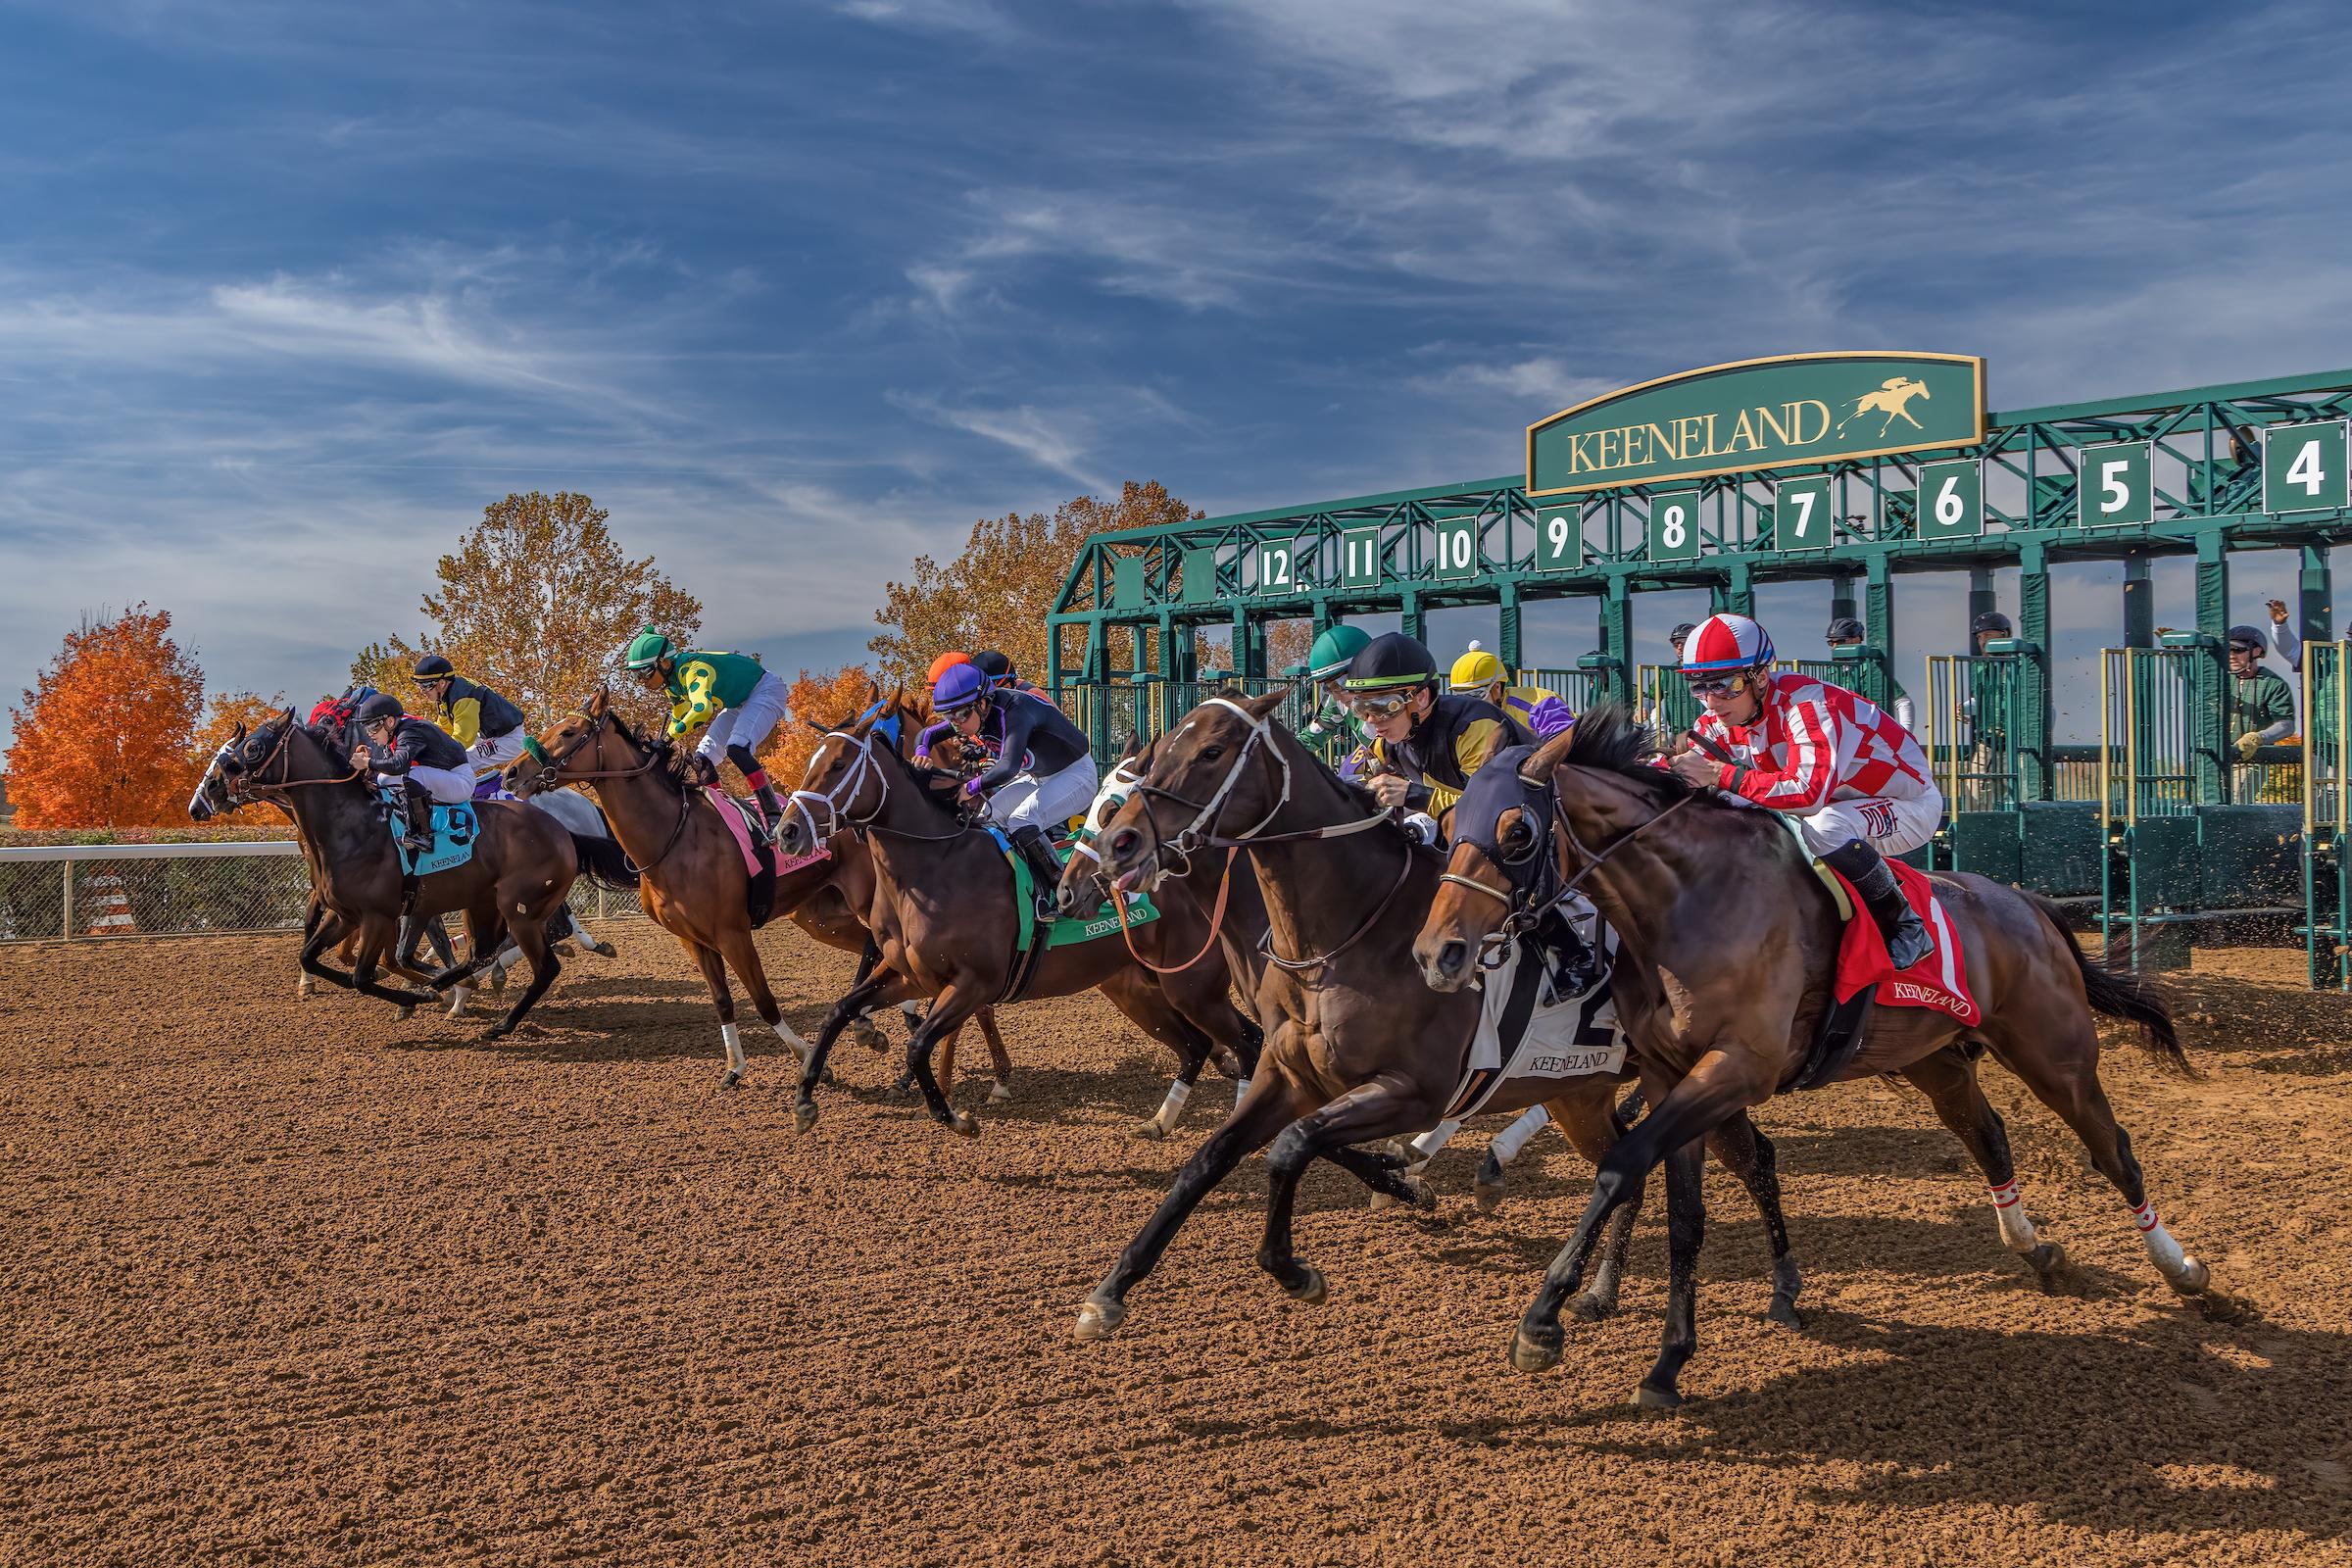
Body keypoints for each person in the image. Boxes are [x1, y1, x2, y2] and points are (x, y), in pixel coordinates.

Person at [1666, 612, 1941, 970]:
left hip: (1908, 805)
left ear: (1760, 676)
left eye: (1726, 685)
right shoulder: (1721, 718)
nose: (1712, 701)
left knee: (1825, 827)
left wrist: (1721, 774)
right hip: (1840, 802)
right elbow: (1683, 775)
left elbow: (1806, 794)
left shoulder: (1809, 706)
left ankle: (1905, 925)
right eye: (1700, 687)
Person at [932, 661, 1099, 920]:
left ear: (982, 703)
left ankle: (1061, 893)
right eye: (949, 716)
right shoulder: (980, 711)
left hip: (1076, 775)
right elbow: (927, 736)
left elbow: (1008, 768)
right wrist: (920, 752)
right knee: (985, 817)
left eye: (961, 715)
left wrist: (971, 787)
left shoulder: (1015, 710)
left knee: (1022, 821)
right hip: (1041, 777)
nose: (956, 724)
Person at [1341, 632, 1532, 820]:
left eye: (1383, 707)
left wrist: (1416, 795)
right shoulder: (1386, 743)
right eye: (1362, 708)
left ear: (1421, 697)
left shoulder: (1473, 729)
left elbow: (1494, 812)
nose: (1371, 720)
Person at [620, 626, 792, 835]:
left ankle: (774, 815)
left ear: (664, 663)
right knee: (702, 759)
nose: (642, 682)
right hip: (738, 702)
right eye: (636, 676)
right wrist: (662, 742)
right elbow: (679, 717)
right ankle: (723, 815)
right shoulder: (671, 683)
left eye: (644, 673)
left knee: (737, 748)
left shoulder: (693, 670)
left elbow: (702, 710)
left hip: (765, 690)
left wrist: (667, 739)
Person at [349, 693, 474, 856]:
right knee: (383, 779)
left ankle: (422, 835)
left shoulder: (410, 731)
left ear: (390, 721)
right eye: (367, 729)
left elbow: (399, 765)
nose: (370, 735)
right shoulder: (397, 732)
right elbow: (389, 771)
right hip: (446, 778)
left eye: (373, 727)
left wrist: (367, 763)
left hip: (460, 781)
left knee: (413, 775)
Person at [412, 655, 529, 776]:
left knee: (459, 761)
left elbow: (461, 739)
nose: (422, 691)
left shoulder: (463, 698)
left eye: (425, 686)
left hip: (509, 739)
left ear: (441, 683)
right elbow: (443, 729)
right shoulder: (447, 694)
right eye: (419, 686)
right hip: (490, 736)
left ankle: (467, 794)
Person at [1448, 642, 1575, 738]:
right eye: (1460, 697)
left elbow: (1564, 743)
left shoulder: (1540, 705)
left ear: (1497, 687)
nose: (1468, 704)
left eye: (1475, 695)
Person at [1825, 616, 1913, 731]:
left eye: (1840, 641)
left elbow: (1903, 702)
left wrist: (1905, 736)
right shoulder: (1832, 672)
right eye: (1831, 642)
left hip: (1870, 738)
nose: (1834, 647)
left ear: (1856, 639)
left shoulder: (1873, 670)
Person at [2227, 622, 2297, 764]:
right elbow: (2190, 677)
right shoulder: (2217, 678)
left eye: (2238, 650)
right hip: (2215, 762)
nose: (2231, 655)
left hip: (2252, 761)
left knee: (2236, 788)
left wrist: (2258, 738)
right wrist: (2175, 654)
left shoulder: (2274, 684)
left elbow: (2286, 725)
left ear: (2257, 651)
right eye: (2228, 650)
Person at [1300, 624, 1372, 752]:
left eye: (1342, 684)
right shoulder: (1337, 704)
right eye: (1328, 688)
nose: (1336, 696)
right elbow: (1309, 738)